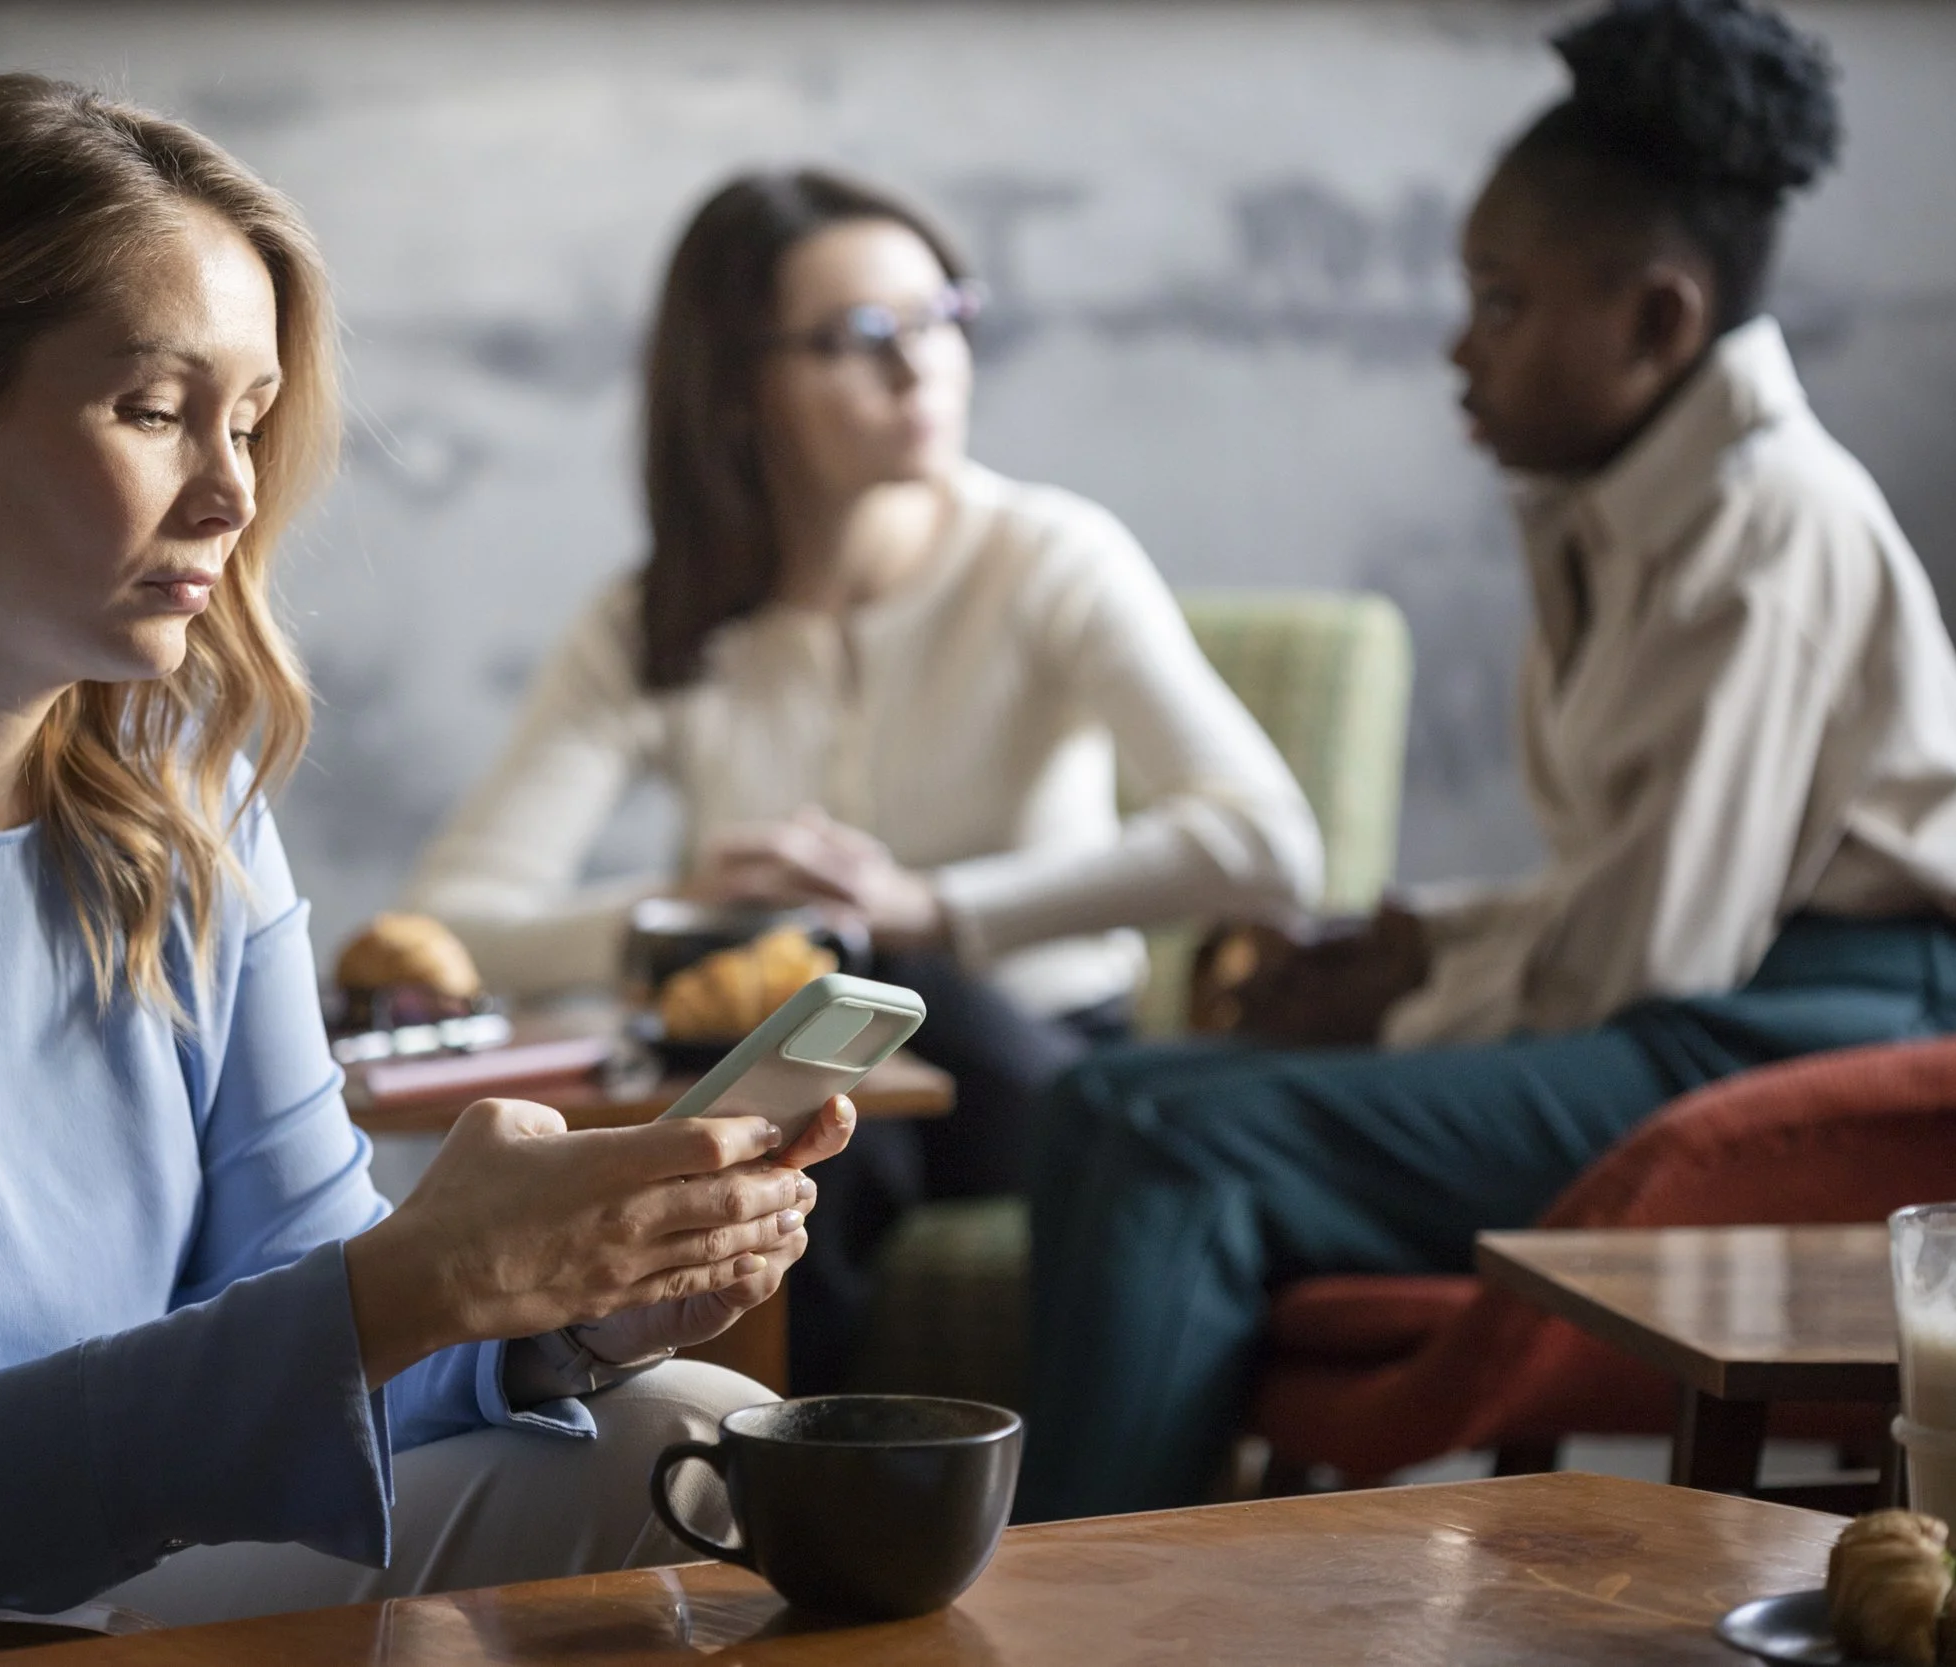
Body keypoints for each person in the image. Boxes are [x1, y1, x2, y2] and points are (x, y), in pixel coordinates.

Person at [0, 74, 857, 1636]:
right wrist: (421, 1277)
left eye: (252, 420)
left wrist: (562, 1314)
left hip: (100, 1573)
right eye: (153, 408)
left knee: (676, 1416)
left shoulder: (185, 814)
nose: (230, 491)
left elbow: (319, 1321)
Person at [1021, 0, 1956, 1521]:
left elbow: (1643, 949)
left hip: (1841, 1019)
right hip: (1725, 990)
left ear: (1659, 323)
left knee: (1167, 1135)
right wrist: (1408, 944)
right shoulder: (1614, 507)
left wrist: (1402, 996)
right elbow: (1622, 889)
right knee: (1098, 1100)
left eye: (1500, 300)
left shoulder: (1770, 521)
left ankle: (1078, 1609)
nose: (1458, 347)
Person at [403, 169, 1324, 1393]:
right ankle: (732, 1501)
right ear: (737, 390)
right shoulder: (654, 618)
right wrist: (686, 912)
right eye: (857, 338)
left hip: (1032, 1071)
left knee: (844, 999)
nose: (921, 363)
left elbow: (1268, 845)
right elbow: (449, 921)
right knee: (808, 1138)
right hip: (818, 1093)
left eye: (942, 314)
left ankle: (716, 1495)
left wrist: (925, 909)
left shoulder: (1046, 555)